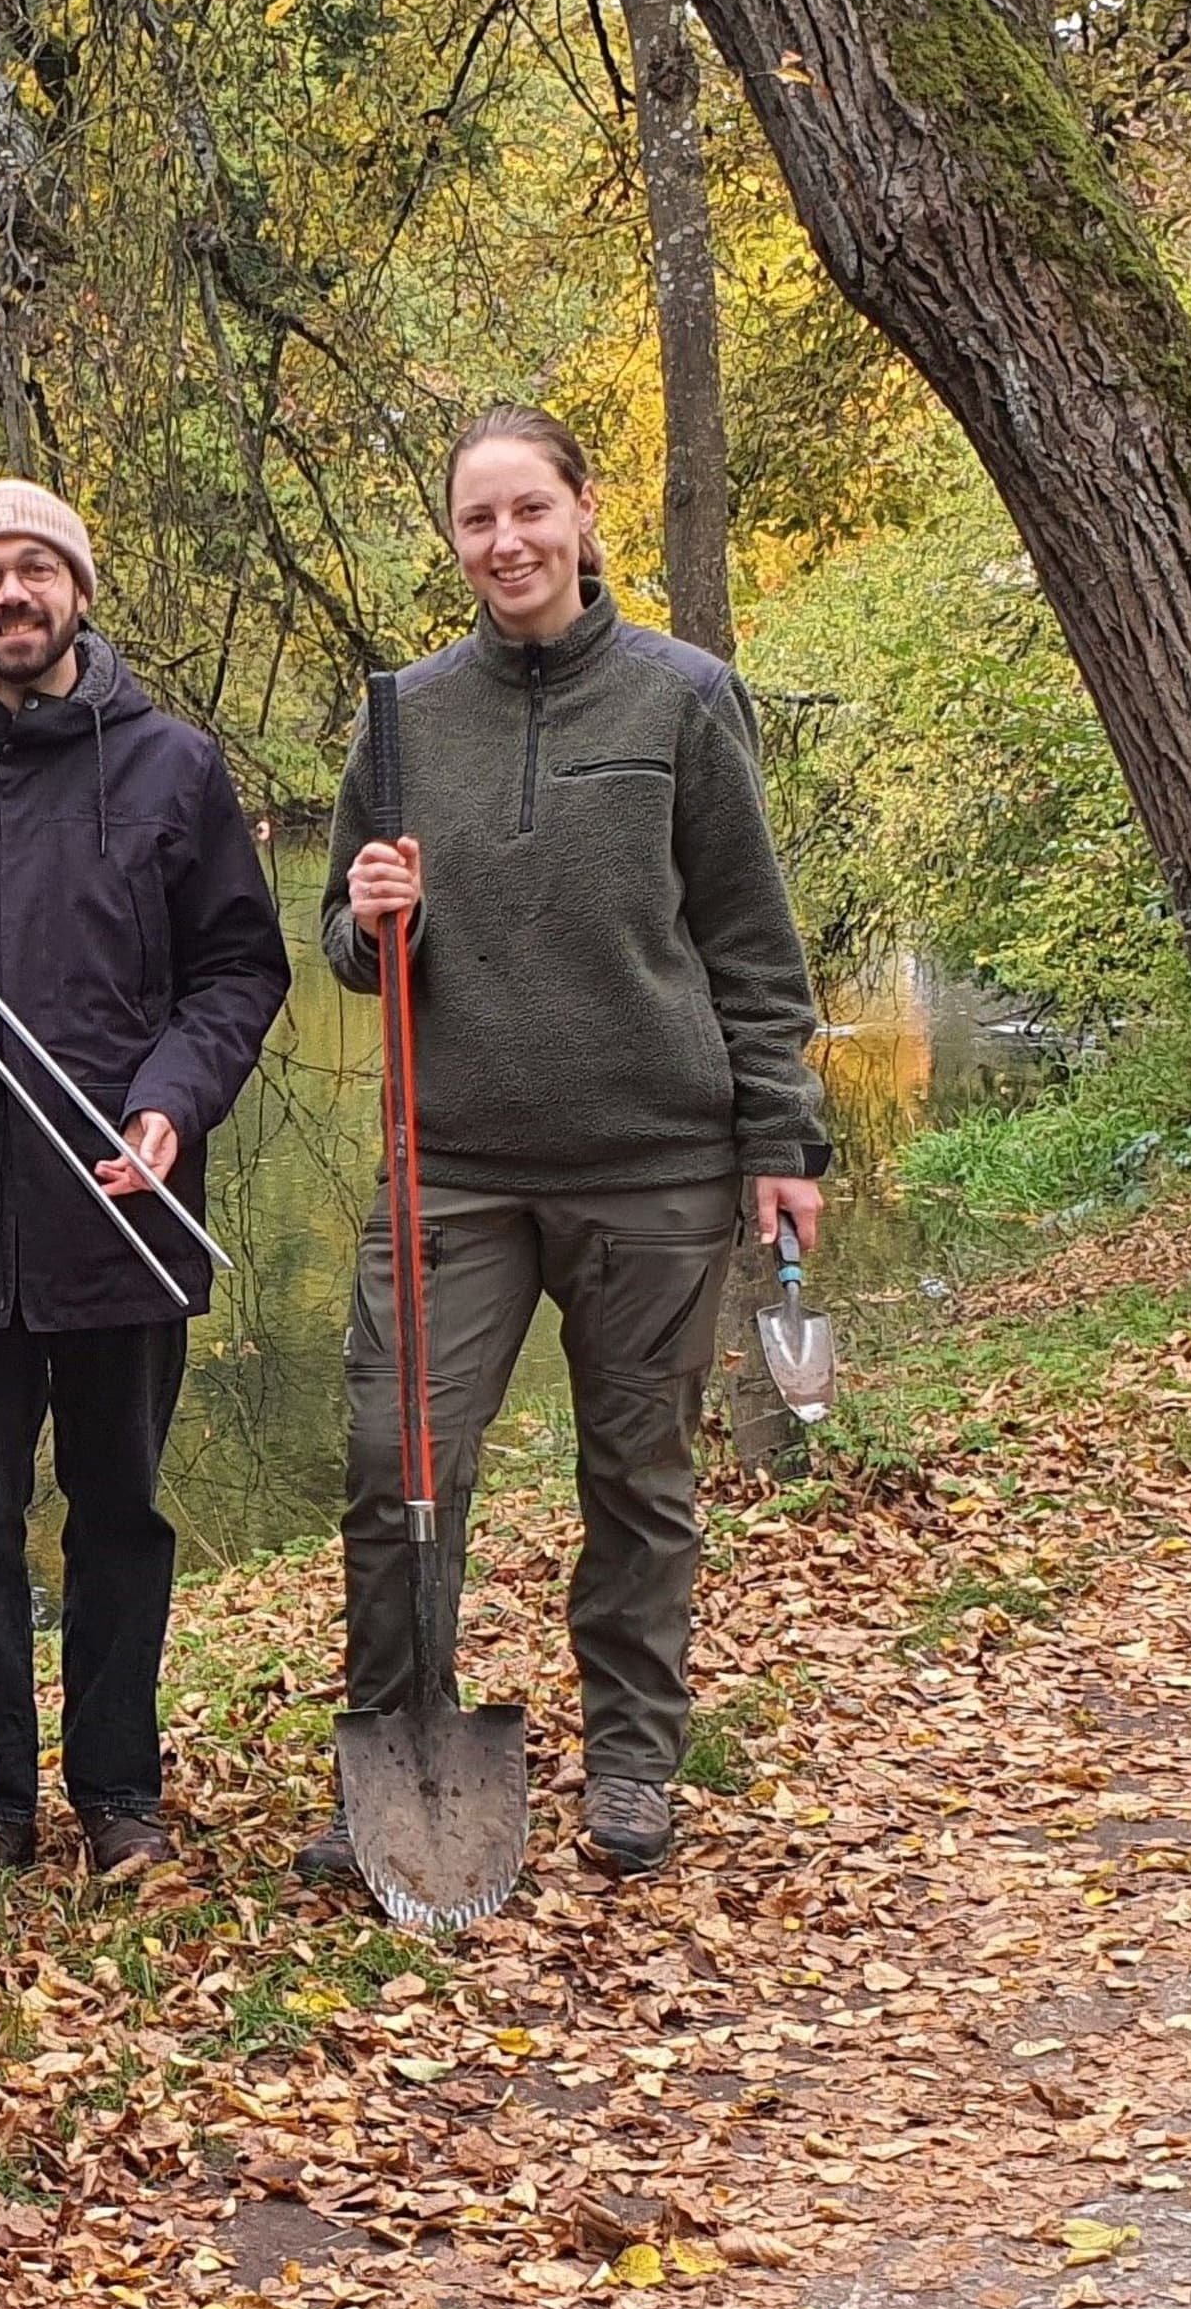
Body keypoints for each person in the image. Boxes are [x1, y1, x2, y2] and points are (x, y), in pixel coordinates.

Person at [307, 405, 827, 1885]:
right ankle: (403, 1748)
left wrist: (780, 1136)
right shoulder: (403, 714)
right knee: (392, 1456)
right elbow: (348, 942)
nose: (508, 542)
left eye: (532, 508)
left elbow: (749, 934)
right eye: (479, 519)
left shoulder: (683, 697)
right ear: (454, 539)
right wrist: (371, 919)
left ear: (585, 512)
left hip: (655, 1159)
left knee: (637, 1473)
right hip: (455, 1160)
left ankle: (632, 1757)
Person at [0, 479, 289, 1879]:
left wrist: (171, 1104)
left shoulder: (174, 770)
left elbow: (238, 969)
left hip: (123, 1214)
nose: (10, 596)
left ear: (79, 589)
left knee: (122, 1513)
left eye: (35, 570)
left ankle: (119, 1790)